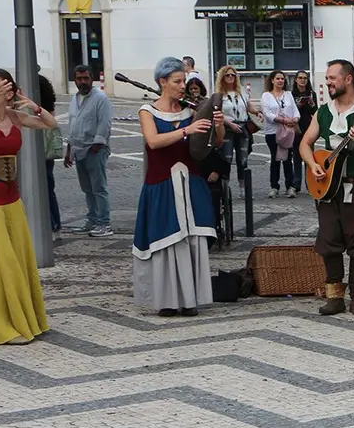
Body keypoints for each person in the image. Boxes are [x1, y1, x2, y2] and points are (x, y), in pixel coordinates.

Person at [0, 68, 60, 345]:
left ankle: (20, 317)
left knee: (17, 261)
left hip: (11, 200)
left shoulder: (14, 117)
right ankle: (0, 324)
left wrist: (34, 105)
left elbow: (50, 124)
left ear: (8, 91)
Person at [133, 57, 224, 317]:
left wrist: (217, 123)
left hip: (190, 184)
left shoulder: (191, 111)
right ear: (163, 82)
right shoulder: (147, 111)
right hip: (161, 185)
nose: (183, 85)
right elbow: (153, 141)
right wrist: (186, 131)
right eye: (178, 81)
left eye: (184, 80)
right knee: (166, 242)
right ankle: (167, 301)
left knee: (191, 240)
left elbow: (214, 143)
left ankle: (190, 299)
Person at [300, 59, 354, 317]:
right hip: (327, 189)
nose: (327, 82)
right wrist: (312, 164)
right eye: (327, 78)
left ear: (348, 79)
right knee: (329, 242)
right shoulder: (323, 111)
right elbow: (305, 143)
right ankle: (335, 297)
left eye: (332, 78)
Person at [64, 64, 114, 237]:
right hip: (78, 150)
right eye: (79, 78)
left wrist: (97, 145)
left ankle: (104, 223)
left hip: (94, 150)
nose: (82, 82)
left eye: (85, 78)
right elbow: (72, 124)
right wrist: (68, 150)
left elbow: (105, 123)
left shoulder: (101, 99)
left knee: (99, 188)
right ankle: (92, 219)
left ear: (91, 78)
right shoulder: (75, 99)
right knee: (87, 189)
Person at [261, 70, 302, 198]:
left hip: (288, 132)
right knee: (275, 158)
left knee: (287, 159)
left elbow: (295, 111)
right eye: (278, 78)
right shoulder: (266, 96)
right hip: (273, 131)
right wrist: (283, 120)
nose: (280, 81)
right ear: (272, 80)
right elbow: (267, 114)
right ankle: (274, 186)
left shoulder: (288, 94)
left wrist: (295, 119)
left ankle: (290, 186)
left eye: (282, 79)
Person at [215, 65, 254, 188]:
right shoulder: (218, 95)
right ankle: (225, 188)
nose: (231, 77)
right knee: (227, 158)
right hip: (227, 128)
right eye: (227, 75)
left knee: (243, 160)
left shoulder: (241, 91)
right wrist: (230, 124)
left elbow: (248, 106)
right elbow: (217, 113)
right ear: (222, 77)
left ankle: (243, 188)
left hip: (242, 126)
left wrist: (257, 112)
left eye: (233, 75)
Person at [38, 74, 63, 238]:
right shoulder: (47, 103)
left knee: (45, 188)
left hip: (41, 150)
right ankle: (55, 225)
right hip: (47, 152)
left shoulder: (34, 108)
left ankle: (53, 224)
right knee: (48, 188)